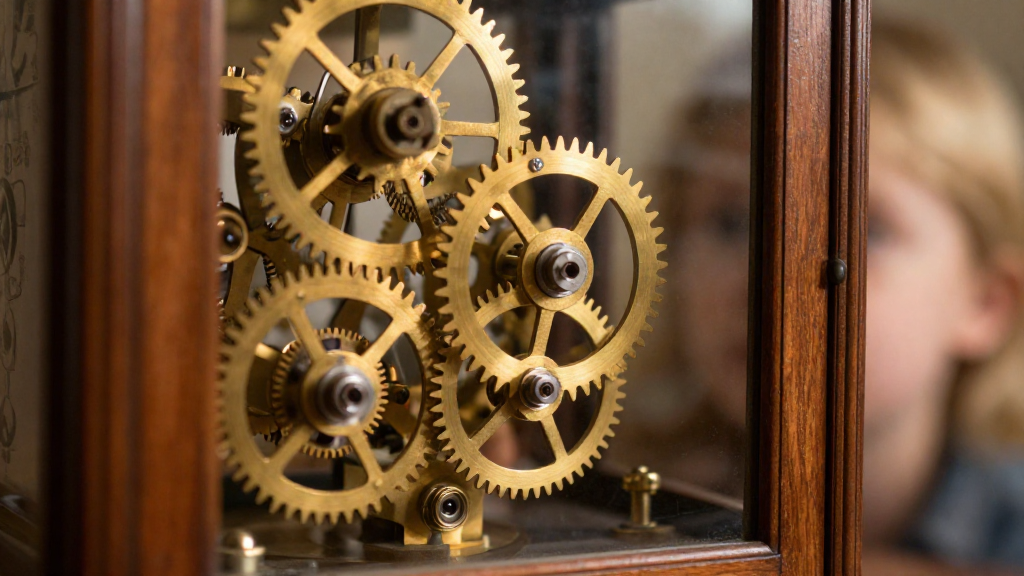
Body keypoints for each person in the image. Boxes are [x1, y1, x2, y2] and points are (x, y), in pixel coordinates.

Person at [608, 18, 1024, 569]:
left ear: (985, 303)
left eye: (863, 228)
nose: (770, 280)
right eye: (731, 222)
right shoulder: (630, 503)